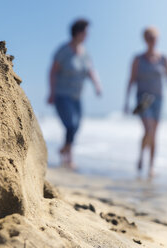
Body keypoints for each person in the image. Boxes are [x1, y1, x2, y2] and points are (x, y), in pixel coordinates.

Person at [124, 26, 167, 178]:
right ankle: (141, 155)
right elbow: (131, 79)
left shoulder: (164, 59)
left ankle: (151, 167)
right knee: (148, 130)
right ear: (144, 39)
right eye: (148, 37)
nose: (151, 40)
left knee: (154, 134)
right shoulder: (138, 59)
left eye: (154, 37)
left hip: (158, 99)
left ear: (157, 39)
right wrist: (126, 101)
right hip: (142, 99)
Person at [47, 19, 102, 169]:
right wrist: (51, 92)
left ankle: (64, 149)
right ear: (78, 32)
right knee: (70, 125)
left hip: (77, 97)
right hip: (62, 95)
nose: (87, 35)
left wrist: (97, 84)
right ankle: (69, 158)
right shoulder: (63, 51)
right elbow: (52, 71)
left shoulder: (85, 53)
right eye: (85, 32)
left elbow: (90, 70)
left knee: (76, 126)